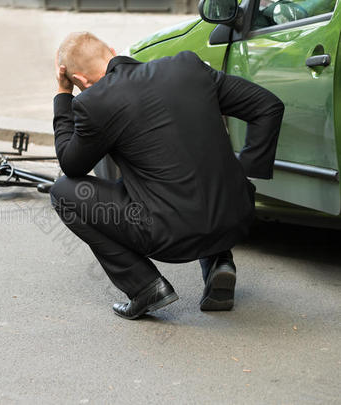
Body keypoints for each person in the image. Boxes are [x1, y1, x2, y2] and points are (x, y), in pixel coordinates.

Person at [51, 32, 284, 319]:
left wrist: (63, 96)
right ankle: (218, 260)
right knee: (177, 168)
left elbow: (71, 165)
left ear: (81, 82)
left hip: (170, 236)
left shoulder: (94, 102)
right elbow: (268, 107)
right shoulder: (187, 67)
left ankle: (145, 286)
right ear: (111, 50)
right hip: (236, 216)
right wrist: (241, 178)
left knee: (63, 192)